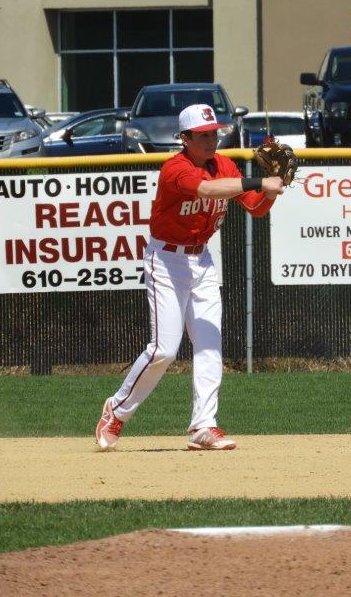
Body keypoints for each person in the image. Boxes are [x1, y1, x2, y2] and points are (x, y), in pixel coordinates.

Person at [95, 103, 284, 451]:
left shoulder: (224, 165)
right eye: (202, 135)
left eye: (214, 133)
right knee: (164, 349)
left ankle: (203, 425)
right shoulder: (174, 169)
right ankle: (117, 410)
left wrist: (271, 190)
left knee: (210, 344)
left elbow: (254, 208)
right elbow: (209, 191)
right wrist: (260, 178)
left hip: (202, 261)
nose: (211, 140)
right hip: (166, 261)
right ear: (184, 138)